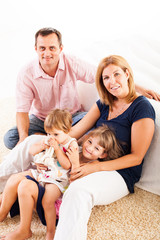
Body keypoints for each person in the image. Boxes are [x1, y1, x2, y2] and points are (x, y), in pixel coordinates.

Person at [3, 27, 160, 150]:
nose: (47, 53)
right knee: (11, 138)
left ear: (60, 48)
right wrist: (23, 139)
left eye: (52, 48)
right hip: (42, 119)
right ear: (36, 48)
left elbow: (101, 75)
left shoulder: (71, 62)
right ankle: (49, 138)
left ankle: (50, 140)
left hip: (72, 117)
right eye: (42, 48)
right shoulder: (26, 73)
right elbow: (22, 111)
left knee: (95, 130)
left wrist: (136, 87)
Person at [53, 55, 155, 240]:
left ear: (127, 74)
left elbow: (136, 157)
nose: (111, 81)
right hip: (91, 156)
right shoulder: (104, 103)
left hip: (120, 172)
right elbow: (76, 131)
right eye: (106, 78)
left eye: (116, 74)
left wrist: (94, 167)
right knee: (32, 144)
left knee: (78, 192)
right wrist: (52, 141)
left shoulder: (142, 107)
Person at [0, 124, 122, 240]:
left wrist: (75, 162)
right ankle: (2, 213)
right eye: (90, 142)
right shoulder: (76, 148)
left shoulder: (94, 165)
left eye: (97, 148)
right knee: (15, 178)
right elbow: (53, 158)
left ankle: (24, 230)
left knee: (25, 185)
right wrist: (40, 161)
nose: (89, 148)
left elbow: (76, 184)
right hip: (47, 178)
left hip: (55, 197)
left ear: (103, 154)